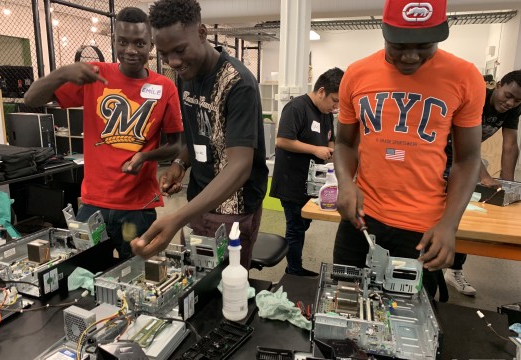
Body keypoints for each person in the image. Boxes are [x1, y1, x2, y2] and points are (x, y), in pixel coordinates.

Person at [332, 0, 485, 299]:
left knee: (408, 320)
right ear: (384, 31)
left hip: (423, 227)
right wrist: (345, 184)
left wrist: (449, 225)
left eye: (424, 45)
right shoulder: (357, 74)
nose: (411, 56)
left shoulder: (465, 77)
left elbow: (468, 159)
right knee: (345, 304)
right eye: (399, 45)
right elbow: (344, 142)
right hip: (362, 218)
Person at [24, 7, 184, 258]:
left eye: (140, 43)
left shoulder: (164, 87)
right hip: (93, 205)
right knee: (85, 274)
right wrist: (63, 73)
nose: (130, 50)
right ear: (114, 41)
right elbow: (31, 98)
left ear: (151, 46)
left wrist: (145, 157)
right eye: (123, 42)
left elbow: (176, 144)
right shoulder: (94, 75)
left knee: (137, 275)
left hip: (137, 208)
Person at [131, 0, 268, 269]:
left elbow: (240, 167)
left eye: (180, 50)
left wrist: (176, 218)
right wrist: (180, 164)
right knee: (192, 275)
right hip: (198, 199)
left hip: (233, 208)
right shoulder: (185, 74)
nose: (173, 61)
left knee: (226, 286)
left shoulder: (238, 83)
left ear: (202, 33)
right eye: (165, 53)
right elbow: (197, 135)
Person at [444, 69, 521, 296]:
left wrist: (508, 185)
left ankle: (454, 269)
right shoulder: (477, 98)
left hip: (466, 158)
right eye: (508, 95)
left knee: (466, 213)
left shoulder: (513, 109)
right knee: (438, 210)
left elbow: (509, 145)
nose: (510, 103)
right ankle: (424, 265)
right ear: (497, 85)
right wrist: (484, 176)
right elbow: (464, 142)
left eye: (517, 100)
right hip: (440, 155)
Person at [270, 68, 344, 277]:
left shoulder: (326, 113)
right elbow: (282, 140)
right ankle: (294, 270)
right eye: (334, 101)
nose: (336, 107)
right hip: (292, 181)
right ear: (321, 91)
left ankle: (294, 265)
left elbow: (330, 140)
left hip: (313, 182)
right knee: (295, 229)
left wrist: (332, 158)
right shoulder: (296, 108)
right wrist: (315, 150)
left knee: (303, 224)